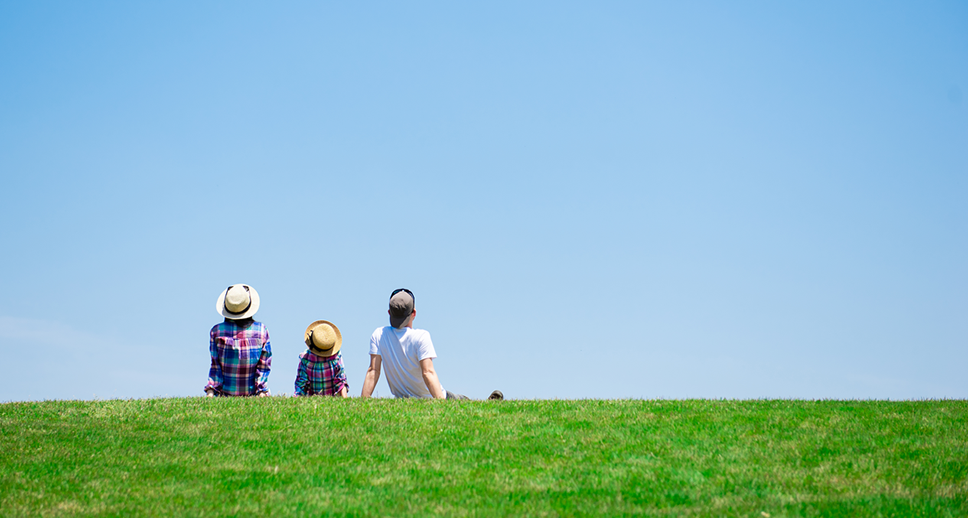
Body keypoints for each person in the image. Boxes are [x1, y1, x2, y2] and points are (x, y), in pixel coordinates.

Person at [361, 288, 502, 400]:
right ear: (414, 313)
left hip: (402, 399)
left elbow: (373, 371)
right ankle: (487, 404)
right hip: (431, 397)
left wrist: (363, 404)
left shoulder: (379, 335)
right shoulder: (421, 336)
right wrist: (440, 404)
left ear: (389, 312)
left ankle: (487, 402)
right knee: (461, 401)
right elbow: (428, 372)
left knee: (462, 400)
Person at [204, 284, 272, 397]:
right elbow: (263, 367)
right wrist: (261, 391)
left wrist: (211, 392)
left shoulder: (216, 331)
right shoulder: (261, 330)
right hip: (253, 396)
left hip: (225, 396)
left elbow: (216, 367)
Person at [294, 320, 349, 397]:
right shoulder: (336, 357)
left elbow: (301, 385)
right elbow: (341, 382)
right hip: (333, 400)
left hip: (312, 401)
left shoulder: (305, 359)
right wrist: (345, 401)